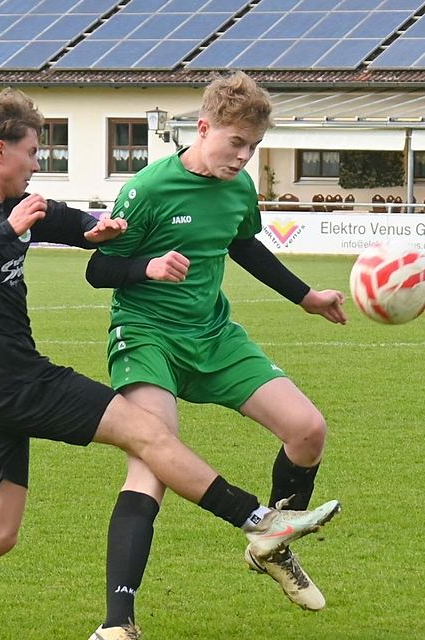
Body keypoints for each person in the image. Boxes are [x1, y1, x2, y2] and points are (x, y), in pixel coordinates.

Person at [0, 88, 340, 640]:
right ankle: (260, 522)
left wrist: (98, 231)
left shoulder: (19, 205)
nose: (38, 164)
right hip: (10, 375)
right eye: (33, 152)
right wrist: (8, 231)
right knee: (149, 435)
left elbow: (76, 226)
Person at [84, 72, 348, 638]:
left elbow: (242, 243)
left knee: (308, 429)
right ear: (203, 129)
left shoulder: (239, 188)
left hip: (214, 333)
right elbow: (97, 268)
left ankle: (272, 543)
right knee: (153, 460)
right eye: (236, 143)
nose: (244, 157)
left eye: (253, 147)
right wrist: (147, 267)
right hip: (147, 335)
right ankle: (117, 624)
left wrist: (306, 297)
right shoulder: (148, 188)